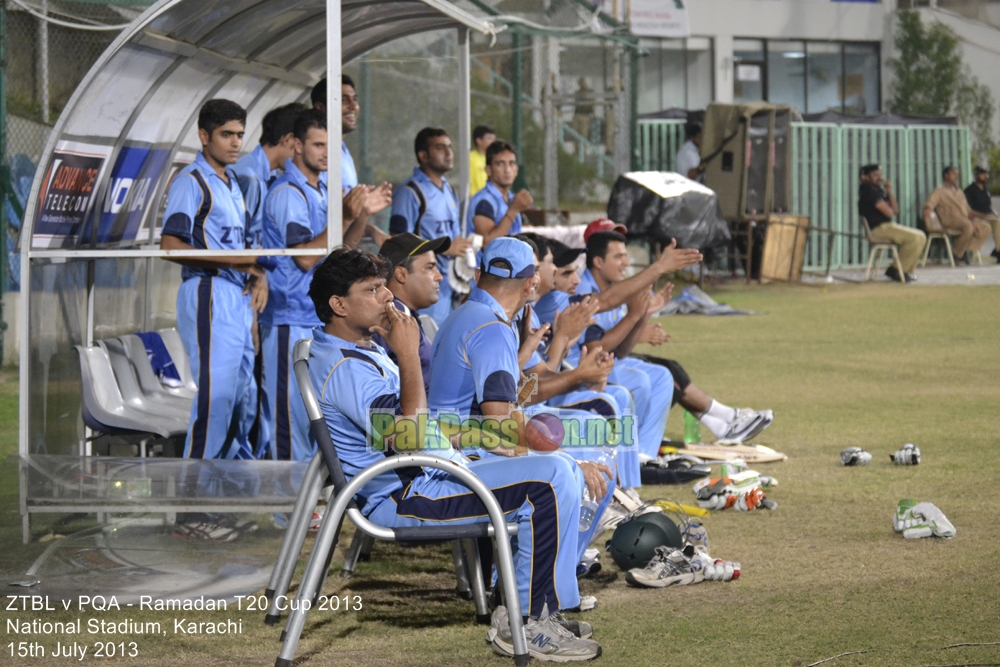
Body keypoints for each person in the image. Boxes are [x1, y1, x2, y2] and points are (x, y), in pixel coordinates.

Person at [307, 246, 604, 661]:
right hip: (408, 494)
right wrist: (408, 354)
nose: (387, 297)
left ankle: (533, 610)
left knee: (557, 466)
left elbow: (419, 427)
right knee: (549, 479)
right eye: (373, 289)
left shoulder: (358, 348)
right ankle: (528, 622)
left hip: (429, 471)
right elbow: (407, 435)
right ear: (339, 304)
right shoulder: (347, 366)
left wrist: (475, 434)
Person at [160, 99, 266, 463]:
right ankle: (195, 500)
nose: (235, 142)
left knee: (243, 396)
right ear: (204, 136)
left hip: (235, 294)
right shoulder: (191, 182)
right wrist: (241, 262)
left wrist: (256, 272)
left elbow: (244, 249)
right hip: (207, 289)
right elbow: (171, 246)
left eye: (239, 135)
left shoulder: (234, 183)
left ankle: (227, 493)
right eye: (226, 135)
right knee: (216, 399)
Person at [256, 109, 331, 461]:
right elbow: (304, 256)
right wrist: (346, 214)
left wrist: (358, 215)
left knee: (314, 414)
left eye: (329, 145)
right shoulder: (288, 192)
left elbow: (336, 246)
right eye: (318, 145)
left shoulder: (321, 189)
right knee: (291, 416)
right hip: (288, 319)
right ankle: (290, 510)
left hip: (314, 317)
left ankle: (313, 504)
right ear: (297, 146)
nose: (325, 153)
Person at [389, 127, 473, 326]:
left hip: (450, 286)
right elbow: (397, 241)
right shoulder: (410, 191)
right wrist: (445, 248)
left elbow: (455, 241)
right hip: (423, 286)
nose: (448, 153)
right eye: (440, 148)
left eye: (449, 147)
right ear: (423, 155)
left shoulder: (449, 190)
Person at [311, 76, 392, 247]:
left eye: (355, 100)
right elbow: (329, 221)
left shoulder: (343, 151)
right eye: (343, 100)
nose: (353, 107)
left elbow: (346, 218)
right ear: (319, 107)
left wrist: (369, 227)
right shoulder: (317, 158)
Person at [372, 232, 452, 395]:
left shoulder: (404, 313)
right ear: (401, 274)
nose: (439, 276)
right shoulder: (390, 317)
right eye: (430, 268)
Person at [233, 103, 304, 249]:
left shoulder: (273, 177)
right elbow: (235, 239)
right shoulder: (249, 178)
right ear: (288, 140)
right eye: (301, 145)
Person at [858, 164, 925, 282]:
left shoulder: (878, 191)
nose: (879, 177)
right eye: (875, 175)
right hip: (878, 229)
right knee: (913, 238)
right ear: (865, 177)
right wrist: (889, 208)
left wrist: (889, 191)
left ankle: (906, 271)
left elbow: (895, 210)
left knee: (921, 236)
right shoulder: (868, 192)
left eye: (880, 174)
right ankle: (895, 270)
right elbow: (889, 213)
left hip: (887, 227)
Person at [466, 140, 533, 246]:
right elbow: (487, 243)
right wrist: (514, 210)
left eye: (512, 164)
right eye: (500, 164)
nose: (507, 170)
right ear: (488, 170)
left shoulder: (511, 197)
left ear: (516, 170)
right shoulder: (485, 200)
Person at [923, 165, 989, 265]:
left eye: (956, 174)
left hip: (964, 219)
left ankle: (965, 251)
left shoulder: (959, 192)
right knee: (968, 226)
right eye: (953, 174)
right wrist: (927, 211)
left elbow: (968, 210)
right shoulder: (939, 191)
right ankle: (957, 254)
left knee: (985, 227)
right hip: (950, 220)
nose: (956, 176)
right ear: (946, 176)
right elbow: (930, 204)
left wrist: (980, 216)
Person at [963, 166, 1000, 261]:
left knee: (998, 222)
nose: (985, 176)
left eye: (986, 174)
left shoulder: (986, 191)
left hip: (989, 217)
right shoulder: (970, 191)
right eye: (982, 174)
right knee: (997, 223)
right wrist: (982, 215)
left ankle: (997, 251)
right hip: (977, 218)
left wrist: (995, 213)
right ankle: (997, 252)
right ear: (976, 175)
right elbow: (968, 209)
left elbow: (989, 205)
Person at [470, 124, 496, 196]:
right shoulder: (470, 158)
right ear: (479, 140)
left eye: (494, 139)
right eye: (489, 138)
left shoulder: (494, 159)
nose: (493, 142)